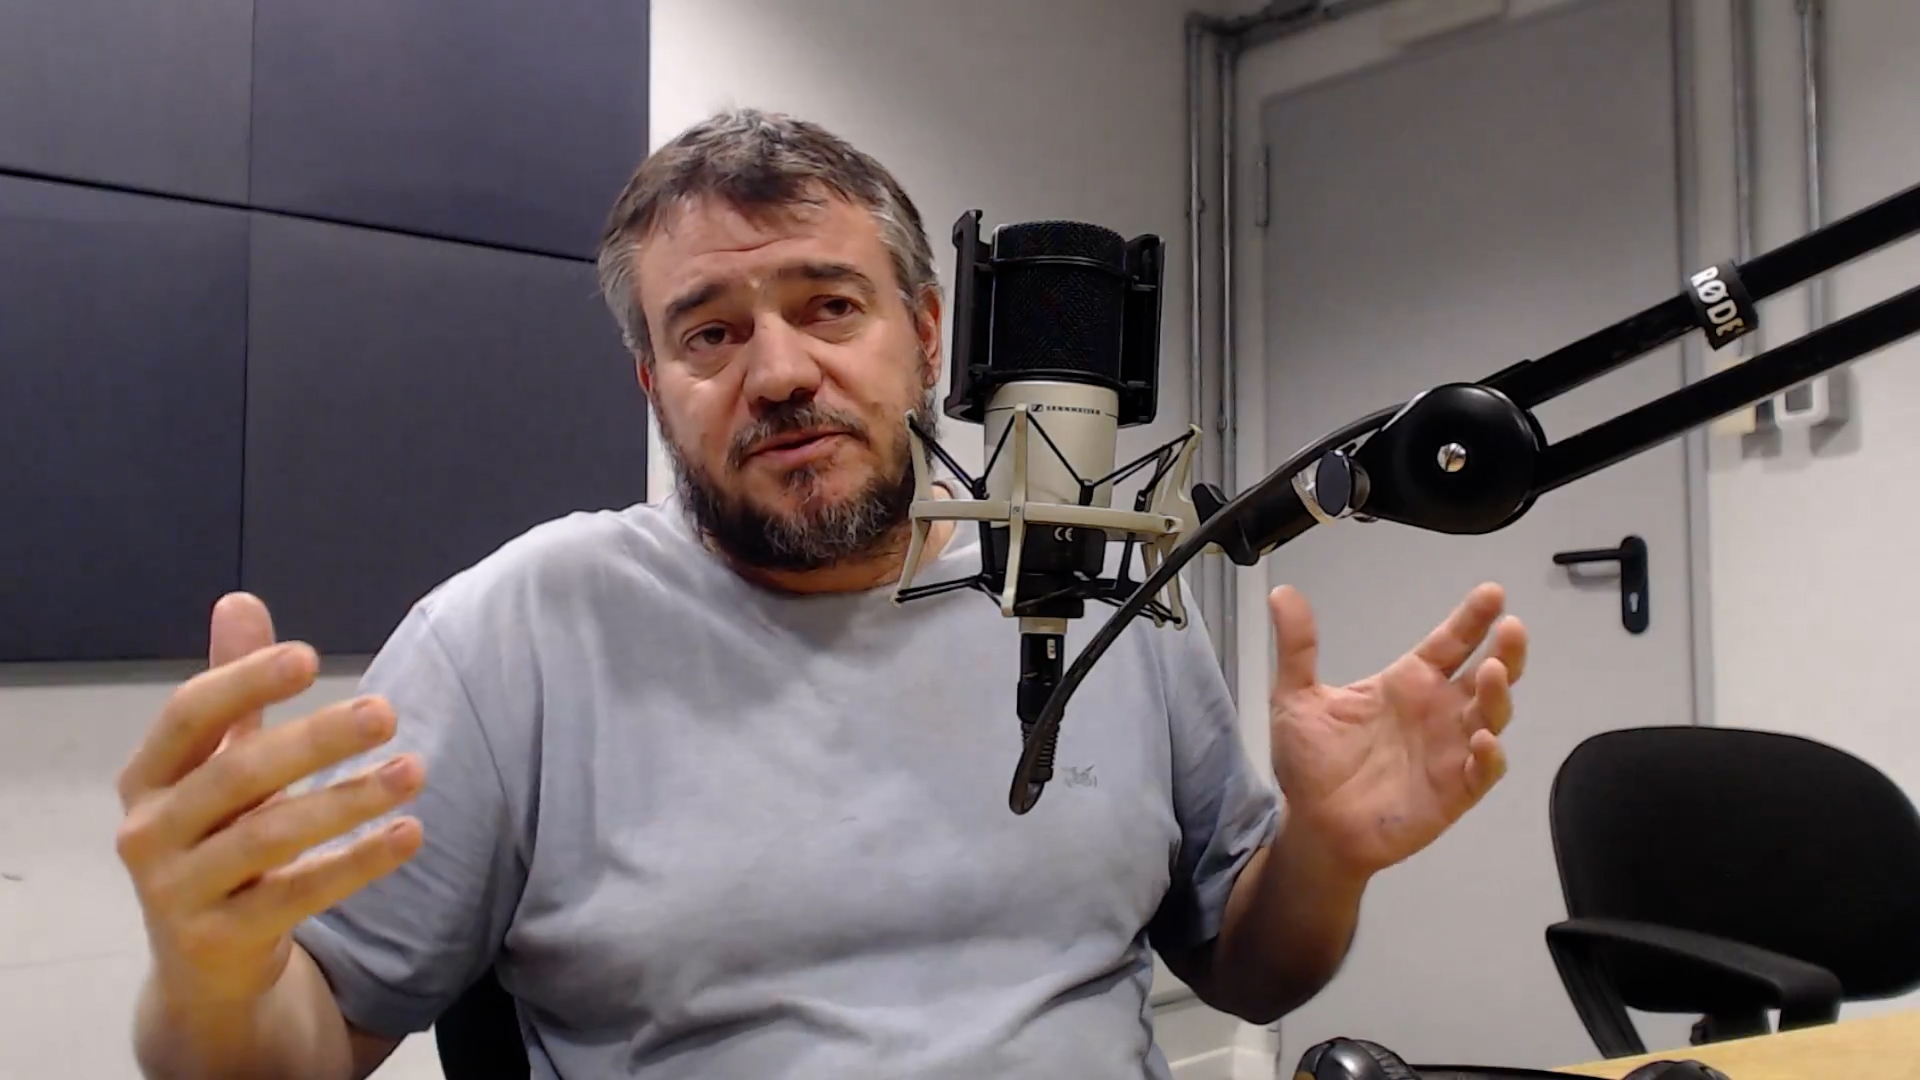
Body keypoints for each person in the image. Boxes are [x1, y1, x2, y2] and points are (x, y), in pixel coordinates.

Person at [114, 109, 1527, 1080]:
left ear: (927, 334)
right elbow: (295, 1051)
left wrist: (1325, 856)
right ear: (652, 381)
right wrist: (209, 980)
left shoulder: (1101, 592)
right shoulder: (514, 641)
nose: (781, 371)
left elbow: (1251, 973)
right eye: (710, 333)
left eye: (829, 306)